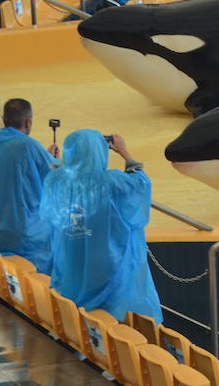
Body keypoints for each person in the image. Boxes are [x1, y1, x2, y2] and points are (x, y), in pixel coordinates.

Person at [40, 130, 162, 322]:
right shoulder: (110, 182)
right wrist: (125, 153)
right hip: (107, 266)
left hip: (72, 263)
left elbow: (50, 203)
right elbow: (141, 185)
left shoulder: (57, 182)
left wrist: (60, 162)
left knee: (78, 317)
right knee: (108, 321)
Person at [0, 99, 59, 271]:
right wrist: (51, 159)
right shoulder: (28, 145)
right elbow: (54, 178)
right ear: (28, 122)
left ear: (3, 119)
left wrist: (44, 156)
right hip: (17, 235)